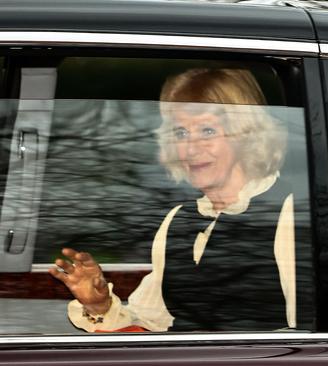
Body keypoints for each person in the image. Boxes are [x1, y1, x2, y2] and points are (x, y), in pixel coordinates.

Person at [49, 68, 301, 332]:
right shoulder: (178, 219)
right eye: (180, 133)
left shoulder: (290, 215)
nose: (190, 149)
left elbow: (309, 342)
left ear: (245, 135)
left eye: (207, 131)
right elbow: (150, 321)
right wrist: (99, 305)